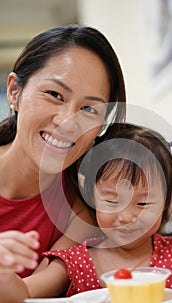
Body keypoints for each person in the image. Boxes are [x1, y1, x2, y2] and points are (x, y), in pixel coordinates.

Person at [1, 122, 172, 303]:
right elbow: (24, 292)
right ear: (91, 196)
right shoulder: (75, 262)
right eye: (112, 201)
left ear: (166, 199)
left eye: (143, 202)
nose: (127, 216)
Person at [0, 24, 126, 279]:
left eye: (90, 109)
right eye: (54, 94)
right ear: (14, 92)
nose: (67, 122)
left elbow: (30, 297)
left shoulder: (78, 217)